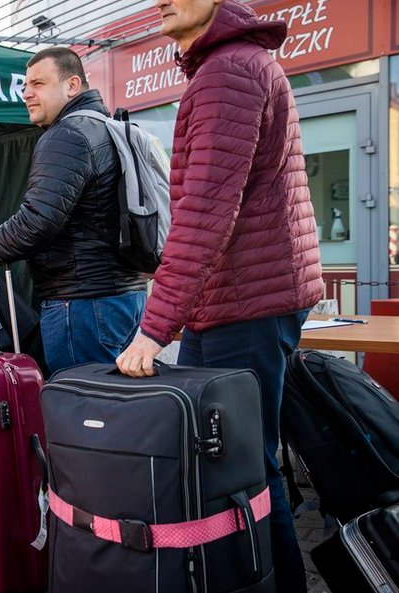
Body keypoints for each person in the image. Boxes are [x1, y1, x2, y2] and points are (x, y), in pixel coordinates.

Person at [115, 2, 323, 592]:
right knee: (246, 466)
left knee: (244, 472)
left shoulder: (227, 71)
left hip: (244, 303)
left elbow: (205, 213)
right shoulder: (236, 63)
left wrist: (154, 328)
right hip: (247, 297)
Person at [0, 47, 146, 374]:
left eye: (38, 84)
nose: (27, 94)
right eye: (25, 86)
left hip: (82, 302)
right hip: (123, 295)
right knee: (116, 411)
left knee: (83, 410)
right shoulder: (106, 126)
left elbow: (37, 221)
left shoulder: (67, 134)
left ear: (72, 85)